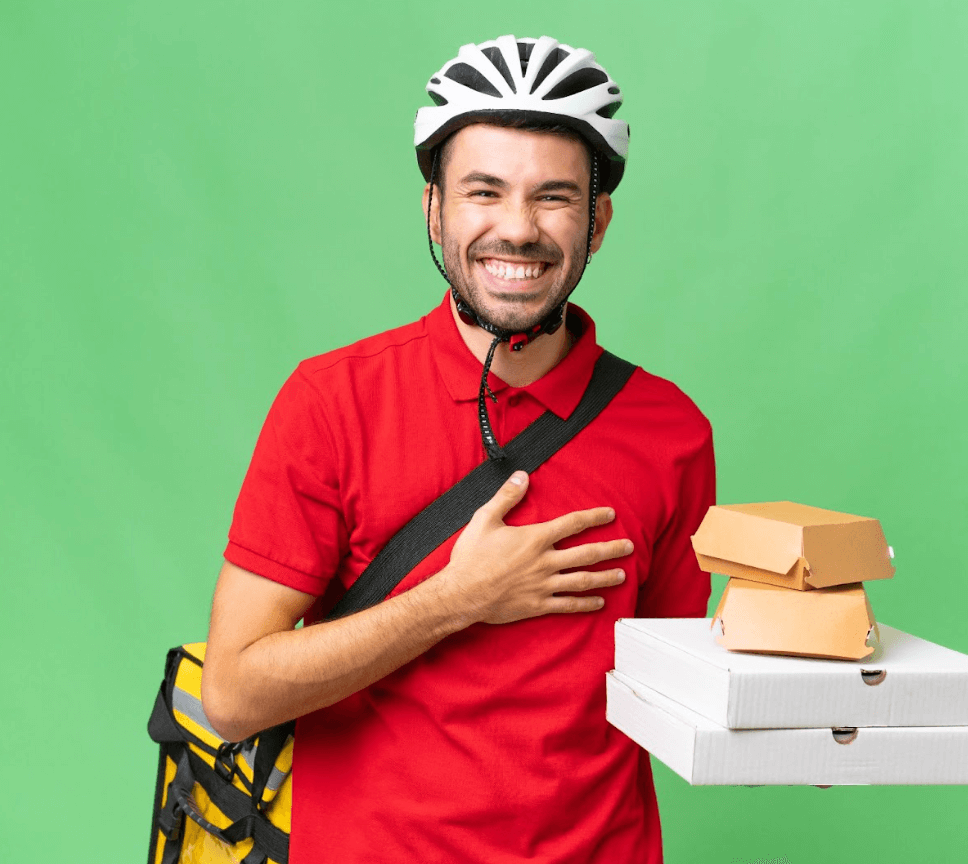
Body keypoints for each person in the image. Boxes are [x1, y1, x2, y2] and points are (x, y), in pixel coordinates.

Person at [200, 35, 716, 863]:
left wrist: (808, 707)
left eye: (554, 198)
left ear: (598, 221)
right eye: (484, 191)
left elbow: (670, 688)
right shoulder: (332, 402)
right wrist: (453, 599)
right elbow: (230, 695)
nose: (518, 229)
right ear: (435, 210)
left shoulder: (671, 429)